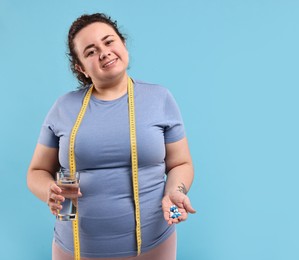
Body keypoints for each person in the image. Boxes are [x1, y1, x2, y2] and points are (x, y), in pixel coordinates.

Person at [27, 13, 195, 260]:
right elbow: (37, 171)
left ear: (123, 44)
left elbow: (181, 163)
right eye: (90, 51)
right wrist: (49, 191)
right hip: (75, 247)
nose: (104, 52)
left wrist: (176, 192)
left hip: (153, 245)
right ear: (81, 68)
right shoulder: (63, 108)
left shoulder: (159, 99)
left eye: (109, 42)